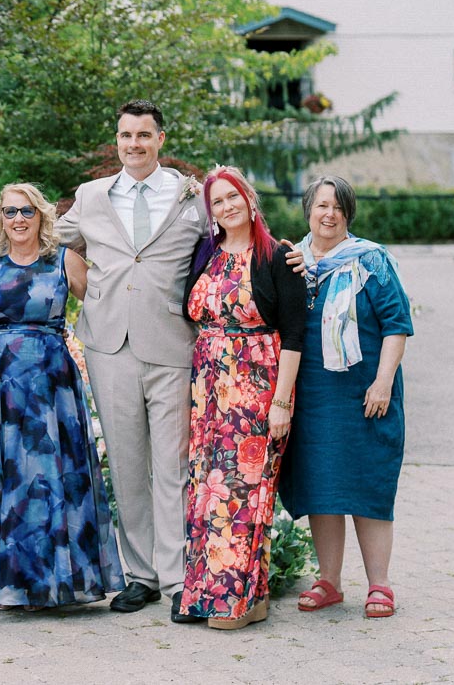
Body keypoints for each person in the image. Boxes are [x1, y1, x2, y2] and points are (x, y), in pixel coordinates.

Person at [55, 99, 205, 623]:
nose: (134, 144)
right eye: (126, 136)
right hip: (108, 344)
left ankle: (180, 579)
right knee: (124, 463)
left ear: (160, 139)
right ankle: (139, 575)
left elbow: (234, 239)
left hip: (172, 341)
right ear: (116, 140)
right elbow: (56, 240)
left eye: (144, 135)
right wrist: (85, 290)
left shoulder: (192, 195)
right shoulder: (92, 196)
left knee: (172, 465)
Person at [0, 183, 123, 610]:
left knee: (48, 475)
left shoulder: (64, 260)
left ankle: (52, 582)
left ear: (41, 215)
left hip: (50, 383)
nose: (18, 219)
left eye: (26, 211)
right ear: (0, 217)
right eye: (9, 212)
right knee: (1, 476)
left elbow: (106, 299)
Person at [279, 175, 413, 619]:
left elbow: (396, 324)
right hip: (314, 397)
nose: (329, 214)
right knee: (324, 488)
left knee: (368, 486)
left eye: (337, 206)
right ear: (308, 211)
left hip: (365, 396)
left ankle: (380, 584)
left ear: (348, 213)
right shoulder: (293, 261)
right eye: (321, 206)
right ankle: (329, 581)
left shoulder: (370, 261)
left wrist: (383, 381)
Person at [177, 167, 305, 629]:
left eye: (234, 197)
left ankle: (241, 599)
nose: (227, 206)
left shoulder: (278, 255)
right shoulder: (206, 252)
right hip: (209, 388)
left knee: (246, 491)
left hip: (256, 386)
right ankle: (209, 597)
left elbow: (293, 335)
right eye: (217, 201)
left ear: (249, 199)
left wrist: (281, 402)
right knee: (206, 492)